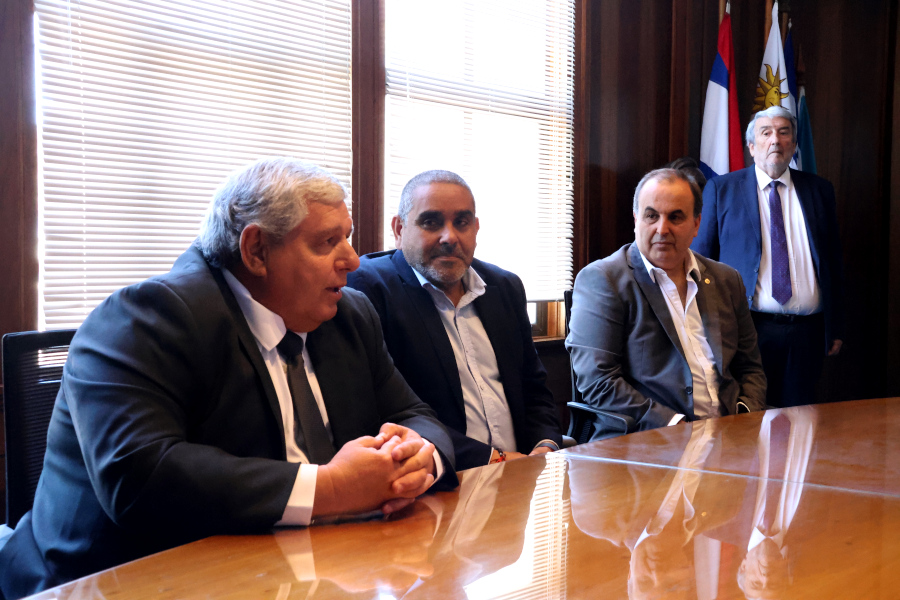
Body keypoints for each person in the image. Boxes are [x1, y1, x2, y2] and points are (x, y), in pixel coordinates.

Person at [0, 158, 457, 599]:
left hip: (302, 567)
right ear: (256, 250)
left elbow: (415, 414)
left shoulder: (348, 315)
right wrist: (332, 488)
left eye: (349, 238)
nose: (353, 260)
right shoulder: (147, 318)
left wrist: (419, 457)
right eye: (326, 242)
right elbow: (138, 477)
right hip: (112, 579)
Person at [346, 170, 562, 470]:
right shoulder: (367, 288)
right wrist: (493, 459)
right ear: (399, 229)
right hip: (440, 479)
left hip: (524, 474)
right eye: (431, 222)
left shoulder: (504, 286)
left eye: (461, 222)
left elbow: (534, 388)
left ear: (475, 228)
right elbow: (387, 411)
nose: (449, 237)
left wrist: (545, 446)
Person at [566, 168, 766, 439]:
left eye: (675, 217)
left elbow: (750, 367)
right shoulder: (604, 280)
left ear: (696, 224)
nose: (662, 229)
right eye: (651, 216)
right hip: (644, 443)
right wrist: (674, 424)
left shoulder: (726, 280)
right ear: (636, 220)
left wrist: (743, 417)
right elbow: (597, 381)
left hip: (727, 438)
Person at [693, 105, 845, 408]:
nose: (775, 140)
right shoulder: (722, 190)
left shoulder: (819, 190)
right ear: (752, 146)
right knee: (748, 422)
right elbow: (699, 263)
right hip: (748, 331)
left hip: (808, 334)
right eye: (766, 133)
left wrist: (836, 327)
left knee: (802, 425)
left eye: (783, 132)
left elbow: (833, 262)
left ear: (793, 144)